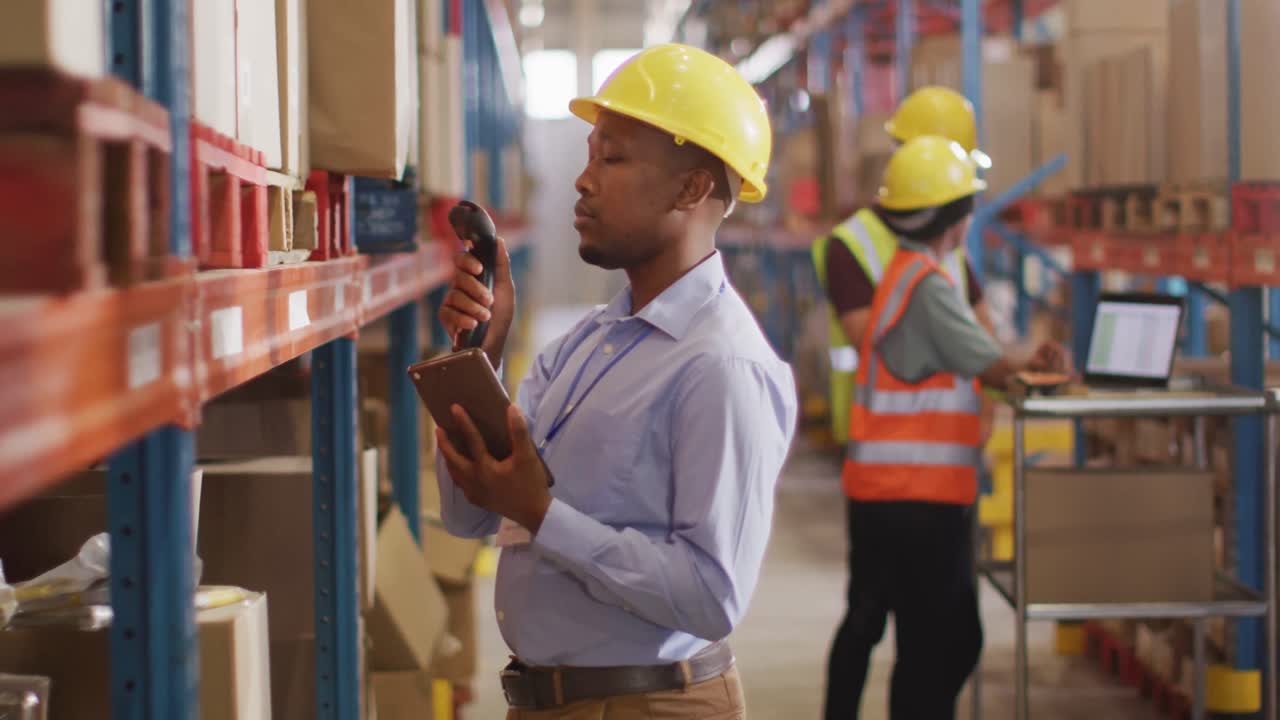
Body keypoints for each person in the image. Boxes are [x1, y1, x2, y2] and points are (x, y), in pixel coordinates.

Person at [434, 43, 798, 720]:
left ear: (691, 188)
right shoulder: (583, 346)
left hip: (651, 705)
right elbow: (469, 515)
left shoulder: (720, 365)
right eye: (590, 153)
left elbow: (713, 598)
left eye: (614, 158)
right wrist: (475, 360)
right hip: (545, 699)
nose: (582, 179)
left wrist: (543, 515)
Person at [821, 136, 1068, 720]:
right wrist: (1036, 364)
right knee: (946, 645)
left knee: (892, 630)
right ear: (957, 216)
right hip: (917, 500)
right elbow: (990, 362)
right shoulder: (928, 285)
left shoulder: (908, 273)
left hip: (884, 492)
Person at [812, 85, 994, 445]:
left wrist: (988, 406)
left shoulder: (949, 248)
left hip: (949, 449)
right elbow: (881, 348)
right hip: (879, 446)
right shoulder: (851, 245)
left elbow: (986, 341)